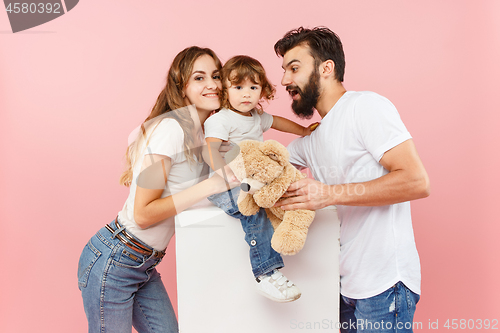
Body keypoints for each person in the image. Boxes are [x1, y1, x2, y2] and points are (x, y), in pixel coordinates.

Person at [273, 27, 430, 332]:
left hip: (385, 284)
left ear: (326, 68)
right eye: (284, 71)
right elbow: (260, 168)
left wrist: (328, 194)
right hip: (345, 286)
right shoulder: (311, 140)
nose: (284, 81)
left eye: (294, 68)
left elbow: (415, 181)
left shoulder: (365, 107)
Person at [77, 46, 236, 333]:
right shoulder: (171, 129)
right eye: (199, 78)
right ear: (182, 86)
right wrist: (209, 184)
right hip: (115, 258)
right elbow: (142, 214)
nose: (212, 84)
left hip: (142, 264)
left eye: (216, 75)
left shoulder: (196, 134)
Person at [202, 55, 317, 302]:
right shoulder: (220, 119)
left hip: (253, 181)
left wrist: (304, 131)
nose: (247, 94)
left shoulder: (256, 116)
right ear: (225, 89)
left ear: (262, 90)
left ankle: (288, 232)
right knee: (253, 211)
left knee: (282, 195)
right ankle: (265, 274)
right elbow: (210, 150)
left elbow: (279, 123)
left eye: (253, 87)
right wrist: (228, 175)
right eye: (238, 87)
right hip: (225, 185)